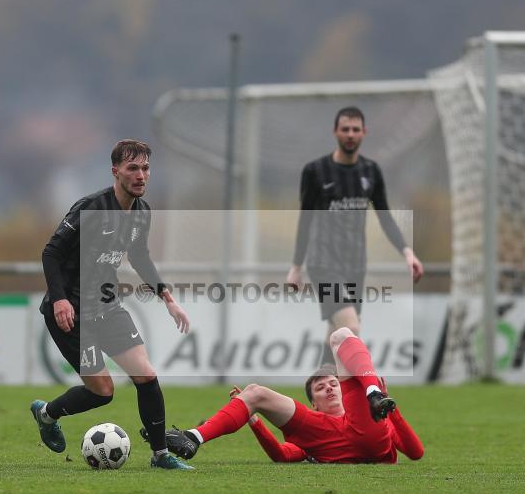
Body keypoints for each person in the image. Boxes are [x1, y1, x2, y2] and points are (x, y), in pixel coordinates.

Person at [30, 139, 194, 470]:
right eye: (133, 168)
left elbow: (139, 256)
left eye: (146, 168)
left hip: (107, 305)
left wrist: (168, 299)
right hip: (72, 312)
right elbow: (51, 253)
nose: (141, 175)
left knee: (145, 374)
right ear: (115, 171)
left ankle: (161, 455)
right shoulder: (90, 208)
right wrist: (60, 299)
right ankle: (46, 414)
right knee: (102, 391)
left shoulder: (142, 213)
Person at [144, 328, 424, 465]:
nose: (329, 387)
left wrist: (387, 407)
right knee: (254, 392)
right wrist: (254, 422)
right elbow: (280, 455)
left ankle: (372, 389)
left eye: (332, 383)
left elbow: (415, 452)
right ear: (313, 403)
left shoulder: (373, 415)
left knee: (341, 334)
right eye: (320, 387)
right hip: (327, 431)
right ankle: (194, 437)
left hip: (366, 425)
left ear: (344, 389)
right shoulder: (313, 431)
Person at [286, 106, 424, 365]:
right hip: (323, 264)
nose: (350, 134)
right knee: (352, 330)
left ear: (364, 133)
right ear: (335, 132)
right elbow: (305, 219)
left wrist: (408, 252)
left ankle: (320, 394)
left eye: (355, 130)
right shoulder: (315, 171)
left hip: (355, 266)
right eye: (345, 129)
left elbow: (384, 216)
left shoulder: (371, 171)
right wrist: (296, 266)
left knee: (335, 334)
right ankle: (363, 395)